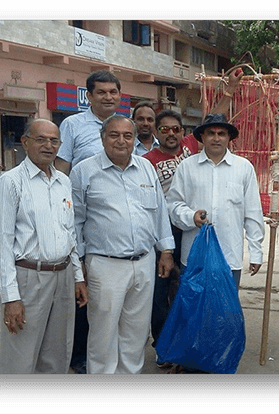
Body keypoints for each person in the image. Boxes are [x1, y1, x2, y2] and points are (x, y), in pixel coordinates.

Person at [143, 68, 245, 370]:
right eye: (164, 130)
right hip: (165, 232)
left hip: (197, 235)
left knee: (209, 301)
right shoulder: (146, 161)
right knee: (171, 296)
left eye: (176, 129)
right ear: (155, 133)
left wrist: (229, 91)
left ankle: (207, 354)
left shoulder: (190, 150)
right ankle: (170, 350)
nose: (171, 134)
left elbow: (213, 121)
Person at [70, 115, 176, 374]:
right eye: (114, 135)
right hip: (105, 265)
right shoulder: (84, 171)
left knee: (136, 332)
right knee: (103, 333)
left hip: (144, 262)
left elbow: (159, 211)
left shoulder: (146, 168)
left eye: (127, 135)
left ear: (134, 139)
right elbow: (74, 222)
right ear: (102, 137)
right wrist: (78, 264)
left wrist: (166, 250)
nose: (121, 141)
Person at [0, 118, 88, 374]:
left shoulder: (63, 182)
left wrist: (77, 277)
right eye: (41, 139)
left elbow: (70, 235)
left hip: (64, 277)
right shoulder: (10, 182)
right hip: (29, 278)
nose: (48, 145)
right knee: (21, 358)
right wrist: (10, 298)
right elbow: (3, 243)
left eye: (54, 140)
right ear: (25, 142)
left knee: (57, 356)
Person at [54, 69, 121, 374]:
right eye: (102, 92)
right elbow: (60, 168)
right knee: (84, 292)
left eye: (113, 92)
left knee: (116, 300)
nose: (108, 97)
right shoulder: (73, 125)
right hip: (82, 216)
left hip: (119, 225)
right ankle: (79, 355)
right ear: (89, 96)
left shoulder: (124, 126)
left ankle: (113, 354)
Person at [167, 112, 265, 288]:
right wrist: (191, 217)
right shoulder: (186, 167)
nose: (216, 138)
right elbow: (173, 205)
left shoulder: (243, 168)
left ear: (229, 138)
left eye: (221, 134)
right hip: (193, 258)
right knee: (193, 311)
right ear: (202, 137)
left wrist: (256, 252)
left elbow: (252, 213)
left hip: (229, 257)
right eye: (211, 133)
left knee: (225, 312)